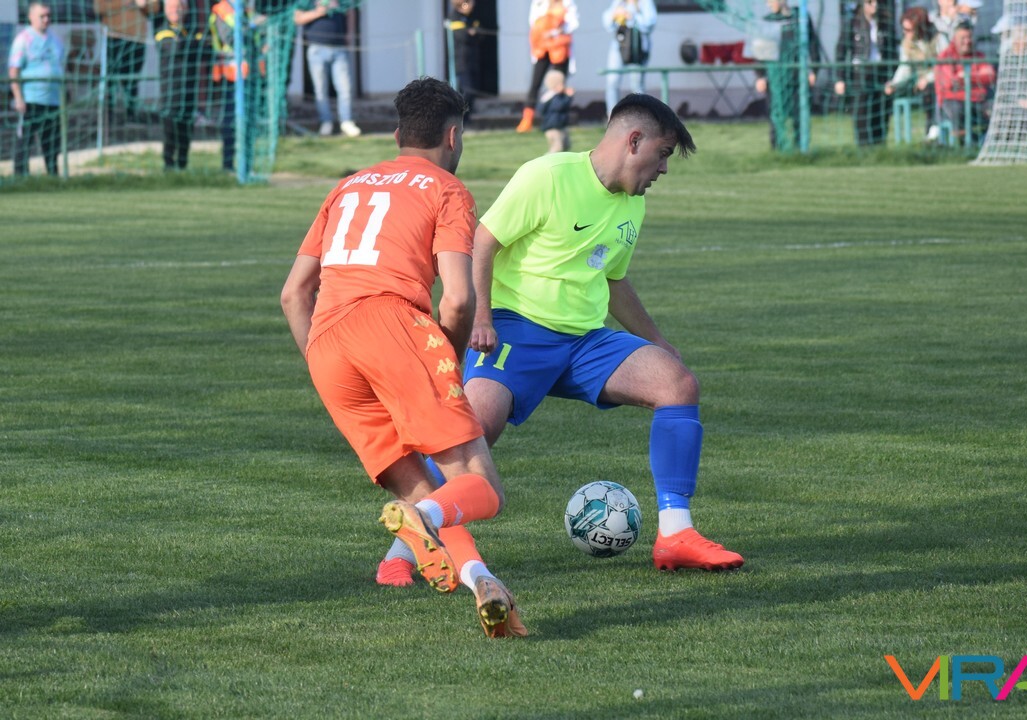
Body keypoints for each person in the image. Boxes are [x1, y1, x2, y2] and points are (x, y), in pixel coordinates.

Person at [400, 94, 744, 576]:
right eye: (663, 154)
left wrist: (658, 341)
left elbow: (614, 280)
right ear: (634, 141)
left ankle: (676, 535)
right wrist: (482, 318)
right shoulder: (548, 175)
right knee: (469, 433)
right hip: (516, 331)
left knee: (678, 385)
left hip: (585, 342)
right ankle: (402, 551)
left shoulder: (632, 205)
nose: (663, 169)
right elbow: (483, 241)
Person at [280, 77, 527, 639]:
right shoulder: (447, 189)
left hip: (327, 345)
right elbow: (458, 299)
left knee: (427, 493)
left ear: (397, 135)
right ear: (453, 135)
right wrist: (446, 363)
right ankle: (420, 521)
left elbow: (293, 294)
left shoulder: (347, 186)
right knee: (482, 487)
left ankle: (483, 582)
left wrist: (323, 362)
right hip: (394, 326)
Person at [753, 0, 822, 152]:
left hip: (797, 75)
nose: (768, 4)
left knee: (799, 113)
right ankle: (777, 149)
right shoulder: (767, 21)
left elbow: (813, 45)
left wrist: (813, 70)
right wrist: (760, 76)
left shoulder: (801, 17)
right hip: (775, 78)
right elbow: (760, 53)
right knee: (776, 113)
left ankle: (800, 148)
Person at [8, 1, 65, 177]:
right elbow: (14, 71)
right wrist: (18, 98)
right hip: (30, 101)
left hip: (53, 101)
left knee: (52, 143)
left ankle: (53, 177)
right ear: (31, 17)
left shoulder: (56, 40)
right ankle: (20, 178)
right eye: (42, 16)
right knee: (25, 141)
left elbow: (61, 68)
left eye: (48, 16)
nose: (46, 19)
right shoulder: (23, 39)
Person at [293, 0, 360, 137]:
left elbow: (351, 11)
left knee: (345, 88)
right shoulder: (306, 2)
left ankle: (346, 121)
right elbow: (298, 18)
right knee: (320, 90)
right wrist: (319, 12)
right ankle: (326, 122)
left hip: (339, 48)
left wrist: (350, 33)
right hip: (316, 49)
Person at [834, 0, 896, 146]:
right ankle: (863, 148)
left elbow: (892, 53)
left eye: (877, 2)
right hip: (860, 74)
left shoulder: (885, 24)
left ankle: (879, 146)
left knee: (880, 113)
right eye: (870, 2)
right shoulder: (853, 24)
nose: (875, 5)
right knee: (862, 113)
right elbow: (841, 52)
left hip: (880, 74)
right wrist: (840, 78)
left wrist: (892, 77)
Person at [209, 0, 261, 172]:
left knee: (249, 121)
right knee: (230, 121)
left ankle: (247, 164)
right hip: (230, 76)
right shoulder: (221, 11)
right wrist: (251, 27)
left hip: (249, 74)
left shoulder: (247, 11)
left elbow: (259, 39)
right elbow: (231, 39)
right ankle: (228, 164)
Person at [156, 0, 208, 170]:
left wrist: (192, 43)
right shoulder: (163, 31)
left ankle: (183, 164)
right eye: (172, 7)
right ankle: (168, 164)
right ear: (166, 10)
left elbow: (204, 50)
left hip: (189, 90)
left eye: (179, 7)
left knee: (186, 129)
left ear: (185, 9)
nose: (176, 10)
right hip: (171, 92)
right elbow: (176, 49)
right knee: (170, 130)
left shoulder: (187, 31)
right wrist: (195, 43)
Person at [517, 0, 578, 133]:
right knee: (535, 83)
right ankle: (527, 119)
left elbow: (573, 24)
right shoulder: (538, 3)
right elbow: (534, 23)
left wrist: (555, 31)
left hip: (560, 48)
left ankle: (558, 120)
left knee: (559, 86)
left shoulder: (566, 3)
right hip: (542, 49)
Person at [93, 0, 159, 121]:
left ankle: (131, 113)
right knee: (111, 79)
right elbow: (98, 8)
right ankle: (108, 115)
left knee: (132, 79)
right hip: (114, 38)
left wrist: (143, 4)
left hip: (137, 40)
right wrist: (122, 3)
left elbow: (155, 8)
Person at [934, 20, 996, 143]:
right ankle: (962, 144)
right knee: (956, 109)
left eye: (969, 37)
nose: (967, 41)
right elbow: (951, 83)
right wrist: (978, 78)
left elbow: (990, 76)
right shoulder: (945, 57)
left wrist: (966, 76)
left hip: (979, 99)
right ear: (954, 39)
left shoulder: (979, 56)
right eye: (963, 38)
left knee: (995, 106)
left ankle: (991, 140)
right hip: (954, 101)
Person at [884, 6, 936, 139]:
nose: (905, 33)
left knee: (930, 90)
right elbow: (904, 68)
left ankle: (932, 128)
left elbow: (944, 65)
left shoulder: (937, 38)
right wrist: (894, 84)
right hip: (918, 83)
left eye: (908, 30)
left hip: (938, 81)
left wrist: (929, 78)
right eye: (903, 29)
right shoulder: (906, 44)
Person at [601, 0, 657, 118]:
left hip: (637, 47)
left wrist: (632, 16)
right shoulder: (619, 2)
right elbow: (607, 23)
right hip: (620, 46)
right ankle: (612, 117)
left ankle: (639, 117)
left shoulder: (645, 2)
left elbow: (650, 23)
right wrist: (614, 15)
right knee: (612, 81)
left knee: (636, 84)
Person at [448, 0, 482, 119]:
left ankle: (467, 119)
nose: (473, 4)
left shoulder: (472, 17)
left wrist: (472, 33)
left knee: (473, 91)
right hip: (462, 61)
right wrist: (470, 33)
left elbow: (480, 35)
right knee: (467, 91)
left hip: (473, 60)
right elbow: (463, 37)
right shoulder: (455, 16)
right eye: (470, 2)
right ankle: (461, 118)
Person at [537, 68, 572, 153]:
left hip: (560, 125)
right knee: (557, 147)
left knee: (566, 145)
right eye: (561, 84)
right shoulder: (551, 96)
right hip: (553, 127)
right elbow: (558, 107)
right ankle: (547, 159)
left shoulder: (559, 96)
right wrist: (569, 97)